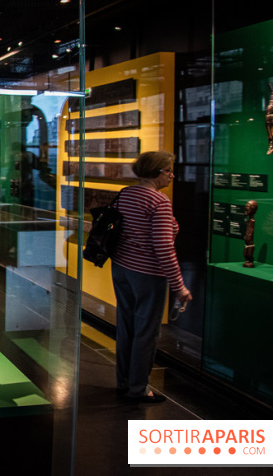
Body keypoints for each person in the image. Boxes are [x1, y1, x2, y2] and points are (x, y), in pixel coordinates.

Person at [111, 150, 192, 403]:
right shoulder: (159, 202)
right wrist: (179, 286)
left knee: (126, 327)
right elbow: (164, 248)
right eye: (168, 170)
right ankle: (138, 388)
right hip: (147, 274)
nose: (172, 175)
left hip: (122, 267)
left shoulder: (126, 193)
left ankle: (123, 382)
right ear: (157, 172)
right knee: (146, 332)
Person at [243, 200, 258, 268]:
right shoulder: (249, 221)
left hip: (250, 241)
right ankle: (248, 260)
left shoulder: (252, 221)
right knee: (245, 254)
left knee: (249, 253)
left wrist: (249, 235)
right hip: (247, 240)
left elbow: (251, 229)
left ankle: (250, 260)